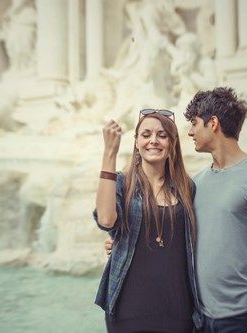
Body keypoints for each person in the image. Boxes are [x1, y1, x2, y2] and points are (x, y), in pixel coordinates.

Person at [105, 87, 247, 333]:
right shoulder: (194, 184)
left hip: (240, 319)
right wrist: (120, 242)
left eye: (194, 123)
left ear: (213, 123)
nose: (190, 131)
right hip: (198, 319)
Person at [93, 109, 203, 332]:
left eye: (162, 135)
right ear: (136, 142)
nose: (154, 141)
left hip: (178, 310)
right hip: (128, 310)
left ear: (172, 143)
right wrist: (109, 153)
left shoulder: (186, 187)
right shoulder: (123, 183)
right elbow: (106, 220)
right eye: (146, 135)